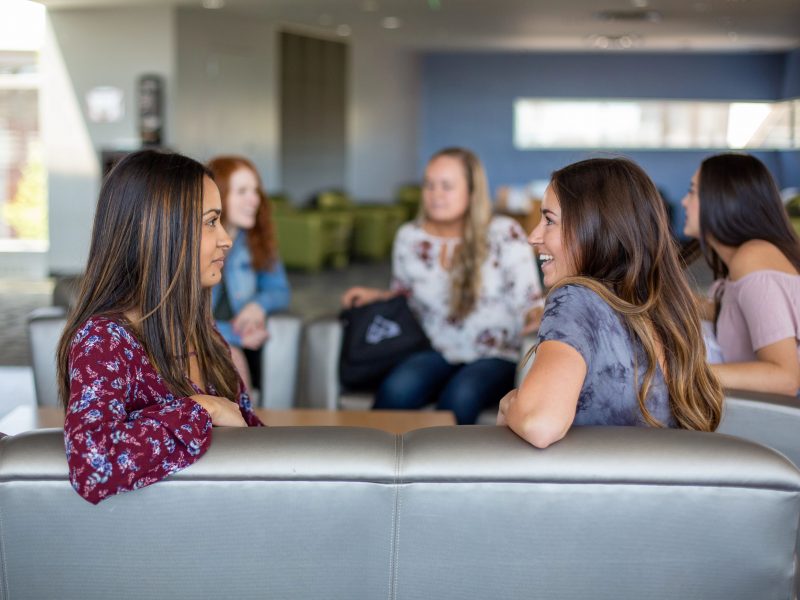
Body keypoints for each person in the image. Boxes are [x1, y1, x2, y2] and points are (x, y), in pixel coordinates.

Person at [56, 150, 263, 505]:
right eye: (211, 222)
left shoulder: (205, 335)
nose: (225, 239)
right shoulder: (105, 341)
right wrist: (204, 408)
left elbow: (253, 440)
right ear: (159, 232)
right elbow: (93, 465)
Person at [497, 157, 723, 448]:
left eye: (549, 220)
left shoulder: (574, 298)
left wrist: (510, 404)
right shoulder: (663, 308)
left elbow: (539, 424)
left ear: (596, 228)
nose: (533, 237)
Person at [341, 147, 543, 424]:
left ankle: (438, 456)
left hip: (496, 354)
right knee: (396, 390)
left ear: (472, 191)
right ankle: (371, 453)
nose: (435, 194)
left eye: (446, 186)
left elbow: (529, 300)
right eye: (429, 185)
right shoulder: (409, 237)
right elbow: (405, 297)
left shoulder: (504, 233)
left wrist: (538, 315)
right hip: (431, 348)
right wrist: (376, 296)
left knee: (460, 395)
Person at [682, 153, 800, 396]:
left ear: (723, 200)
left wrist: (682, 374)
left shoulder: (753, 258)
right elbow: (731, 313)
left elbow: (785, 377)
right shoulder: (751, 258)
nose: (684, 202)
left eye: (692, 191)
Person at [206, 156, 291, 392]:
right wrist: (234, 336)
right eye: (242, 191)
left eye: (255, 191)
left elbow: (280, 290)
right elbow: (183, 320)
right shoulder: (193, 245)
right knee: (230, 356)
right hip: (208, 340)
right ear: (218, 195)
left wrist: (258, 306)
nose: (254, 199)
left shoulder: (256, 240)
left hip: (243, 344)